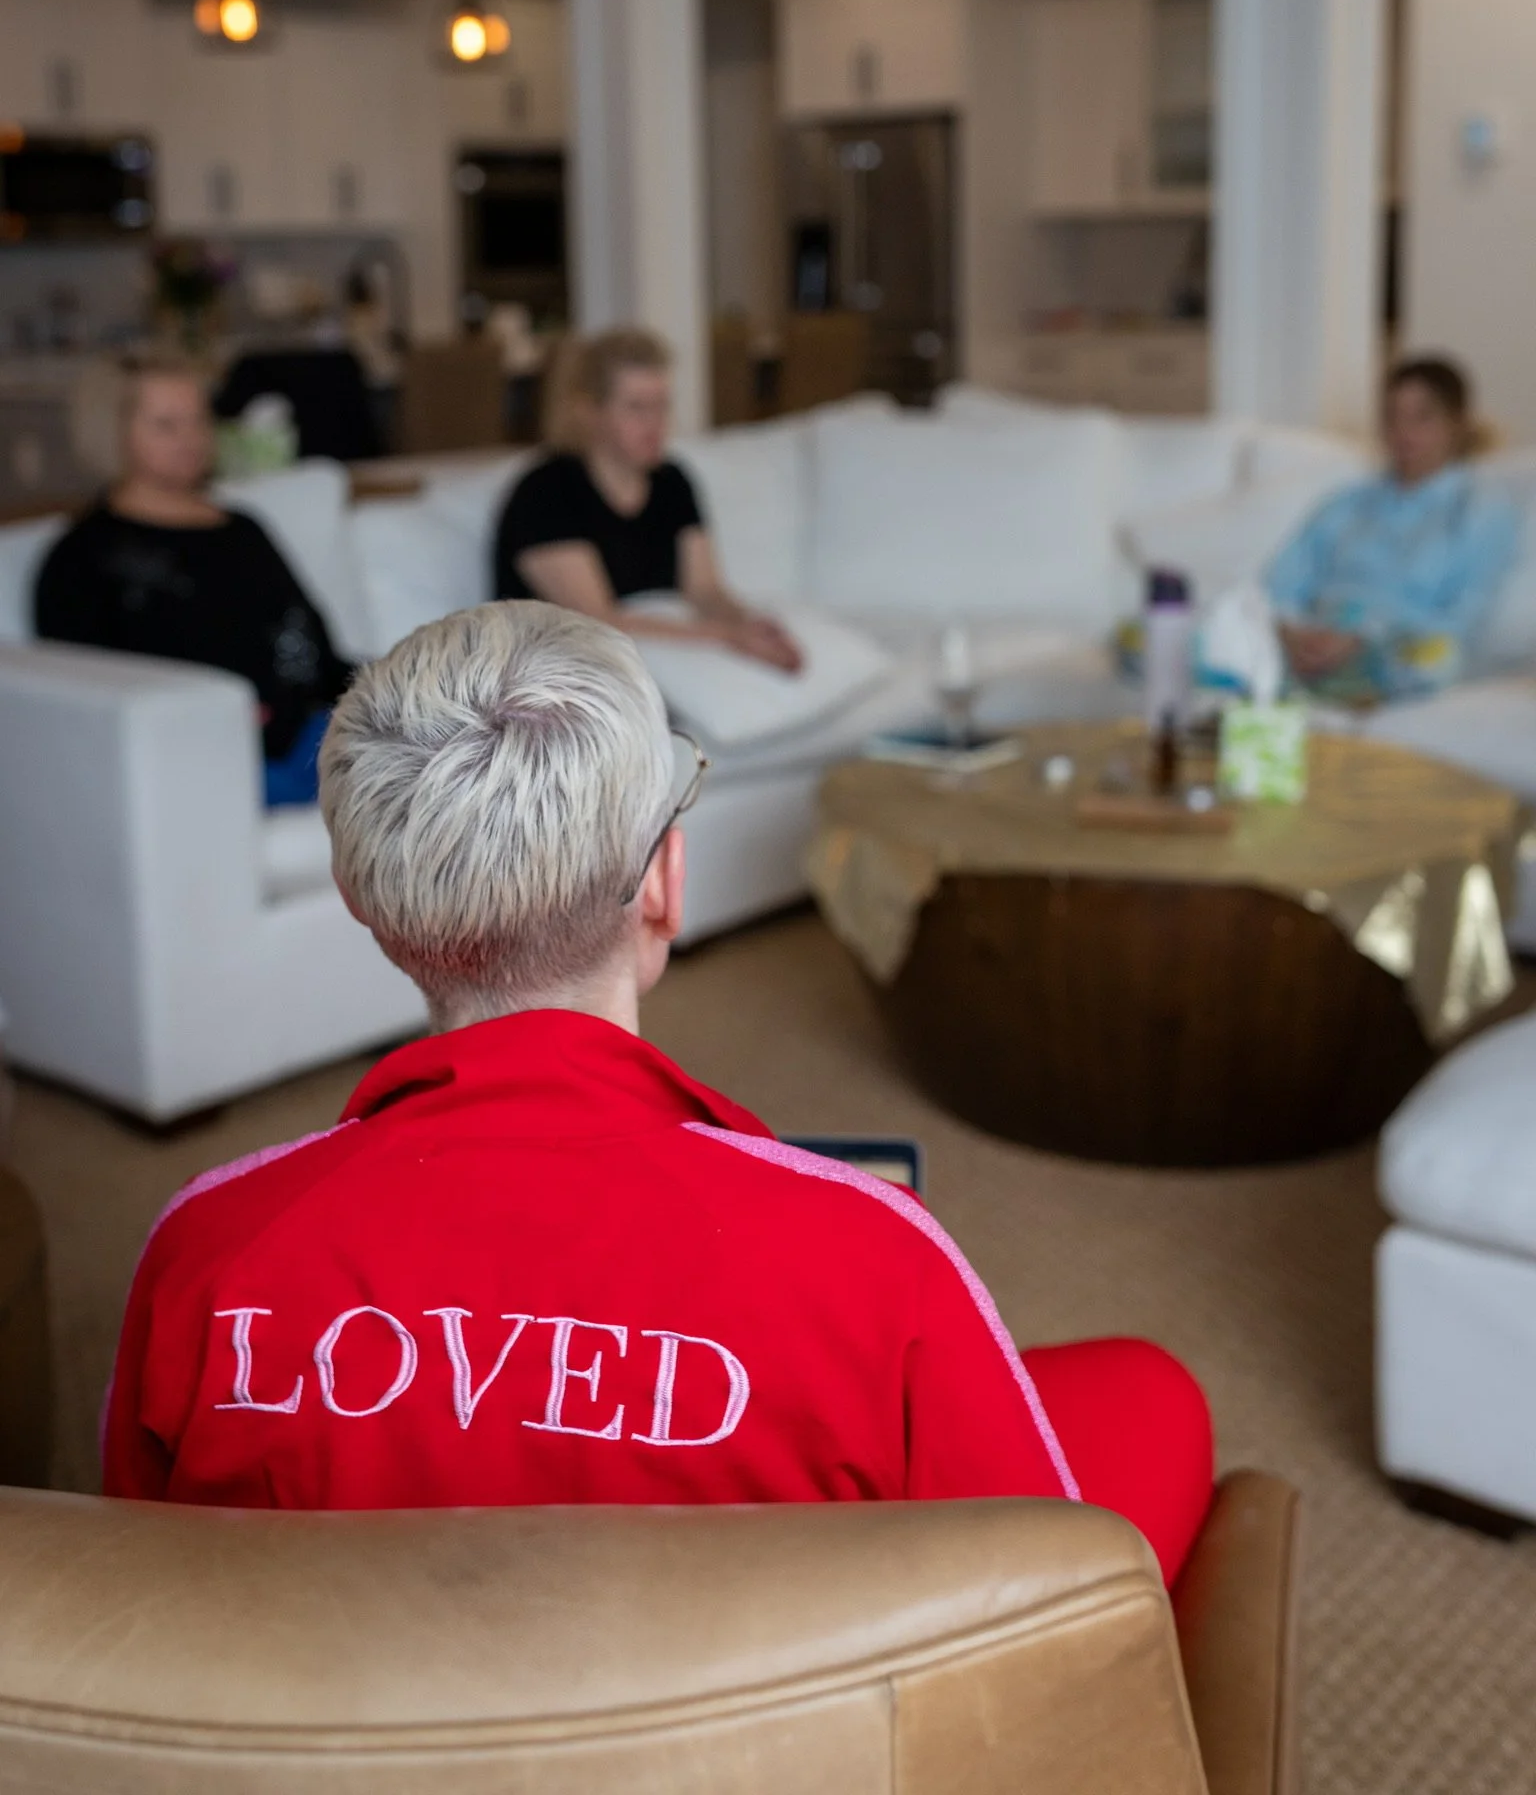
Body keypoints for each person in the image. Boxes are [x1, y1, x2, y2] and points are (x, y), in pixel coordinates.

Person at [102, 601, 1213, 1585]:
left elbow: (150, 1615)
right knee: (1151, 1396)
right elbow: (1029, 1610)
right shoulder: (878, 1251)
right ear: (668, 886)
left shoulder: (203, 1243)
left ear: (361, 899)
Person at [33, 357, 351, 807]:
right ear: (113, 433)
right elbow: (88, 702)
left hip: (318, 734)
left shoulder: (242, 529)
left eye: (199, 420)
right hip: (205, 758)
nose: (191, 438)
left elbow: (318, 647)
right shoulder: (82, 558)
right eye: (166, 425)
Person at [494, 327, 803, 672]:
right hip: (558, 678)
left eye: (662, 405)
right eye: (637, 407)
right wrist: (727, 637)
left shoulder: (672, 481)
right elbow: (595, 621)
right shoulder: (544, 492)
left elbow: (704, 590)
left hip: (655, 663)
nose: (655, 423)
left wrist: (748, 624)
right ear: (590, 411)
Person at [1267, 355, 1518, 702]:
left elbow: (1463, 621)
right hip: (1313, 643)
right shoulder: (1347, 503)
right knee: (1213, 636)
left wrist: (1363, 638)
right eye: (1392, 418)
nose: (1403, 433)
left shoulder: (1481, 510)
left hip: (1397, 651)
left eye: (1421, 418)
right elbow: (1281, 587)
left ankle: (1330, 708)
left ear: (1457, 423)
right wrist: (1292, 635)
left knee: (1436, 659)